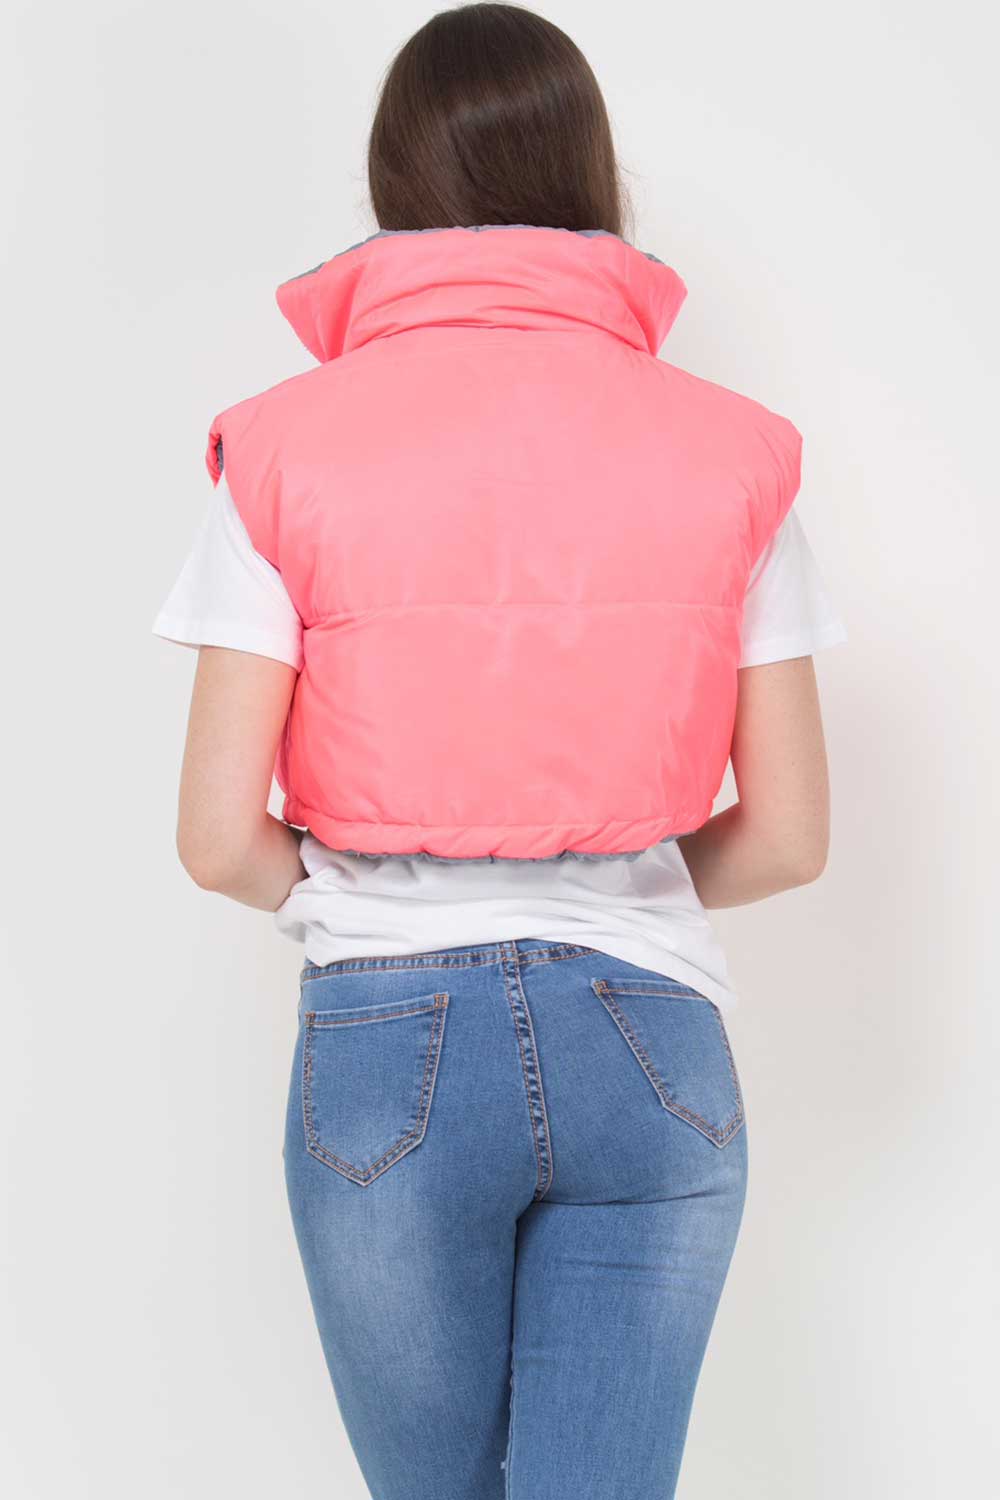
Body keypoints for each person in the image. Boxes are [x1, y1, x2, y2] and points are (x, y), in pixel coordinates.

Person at [154, 5, 845, 1497]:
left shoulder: (277, 448)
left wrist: (355, 893)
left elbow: (217, 838)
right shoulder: (739, 452)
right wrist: (613, 883)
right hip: (650, 1040)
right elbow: (789, 836)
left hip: (387, 1042)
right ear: (595, 175)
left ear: (395, 183)